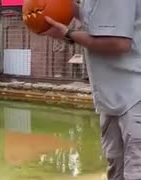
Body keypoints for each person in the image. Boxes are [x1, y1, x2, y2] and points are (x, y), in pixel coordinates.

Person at [40, 0, 141, 179]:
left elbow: (119, 43)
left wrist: (68, 33)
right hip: (111, 97)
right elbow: (94, 25)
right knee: (115, 168)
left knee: (135, 171)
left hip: (134, 95)